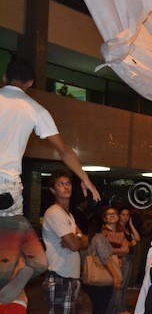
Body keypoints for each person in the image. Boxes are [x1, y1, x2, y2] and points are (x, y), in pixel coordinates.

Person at [0, 57, 101, 218]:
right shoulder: (36, 110)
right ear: (30, 83)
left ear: (5, 78)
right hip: (6, 183)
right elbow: (64, 151)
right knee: (12, 231)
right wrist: (85, 178)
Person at [42, 169, 89, 314]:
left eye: (68, 183)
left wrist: (76, 237)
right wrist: (75, 238)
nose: (65, 187)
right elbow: (75, 245)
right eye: (60, 184)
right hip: (59, 278)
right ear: (53, 190)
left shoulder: (68, 215)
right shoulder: (54, 212)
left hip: (71, 279)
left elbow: (85, 241)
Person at [0, 214, 47, 314]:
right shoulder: (20, 223)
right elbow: (40, 262)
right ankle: (14, 276)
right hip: (13, 303)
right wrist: (21, 266)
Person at [80, 211, 122, 314]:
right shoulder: (99, 238)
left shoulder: (86, 239)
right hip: (102, 283)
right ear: (101, 225)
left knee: (96, 312)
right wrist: (115, 276)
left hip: (89, 280)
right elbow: (105, 258)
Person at [100, 207, 130, 314]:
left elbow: (126, 250)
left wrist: (114, 250)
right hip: (106, 269)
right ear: (104, 218)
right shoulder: (103, 232)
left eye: (114, 214)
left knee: (114, 301)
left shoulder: (120, 231)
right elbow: (103, 251)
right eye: (109, 214)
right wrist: (118, 250)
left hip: (119, 267)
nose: (112, 216)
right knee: (106, 302)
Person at [115, 206, 140, 314]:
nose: (125, 217)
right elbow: (123, 244)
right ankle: (118, 310)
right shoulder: (117, 228)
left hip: (129, 258)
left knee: (125, 285)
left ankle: (122, 308)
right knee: (121, 285)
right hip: (123, 258)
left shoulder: (126, 228)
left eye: (127, 215)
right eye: (123, 214)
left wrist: (131, 224)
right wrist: (131, 243)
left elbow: (137, 238)